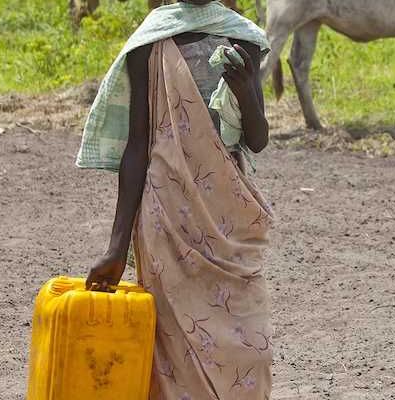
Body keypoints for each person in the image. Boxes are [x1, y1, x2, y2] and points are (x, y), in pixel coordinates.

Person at [76, 1, 275, 398]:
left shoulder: (243, 39)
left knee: (251, 348)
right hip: (166, 219)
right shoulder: (151, 41)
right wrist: (116, 247)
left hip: (227, 218)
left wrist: (246, 91)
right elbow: (137, 146)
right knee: (173, 354)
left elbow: (257, 139)